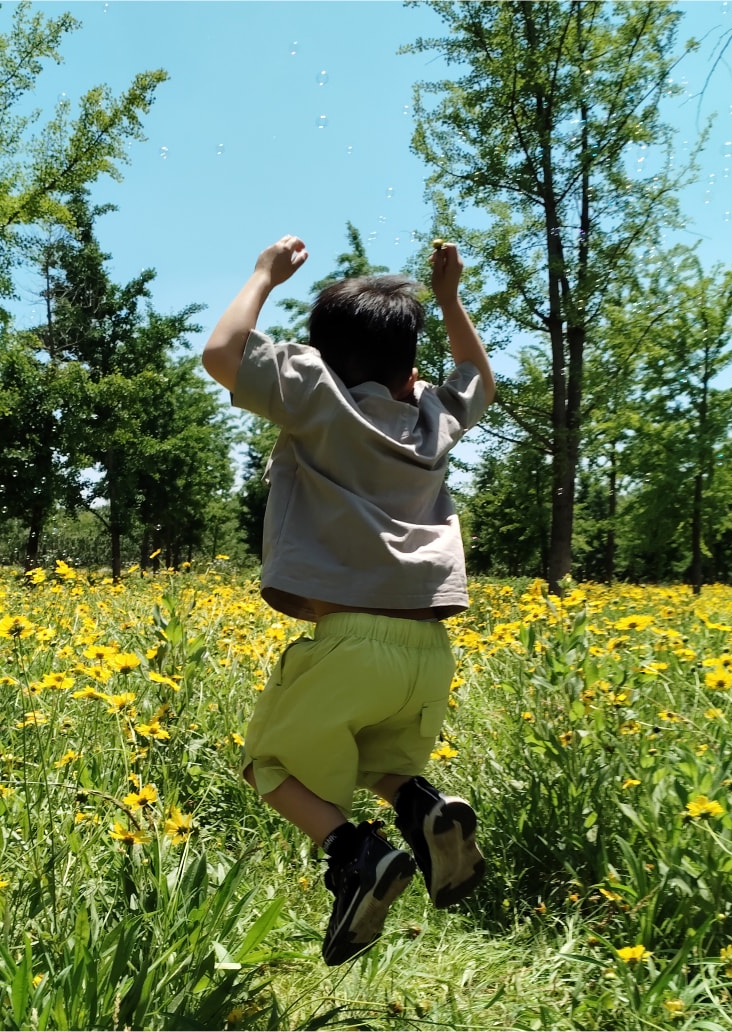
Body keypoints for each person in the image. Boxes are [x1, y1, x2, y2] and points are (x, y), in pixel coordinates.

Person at [202, 234, 495, 966]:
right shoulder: (431, 415)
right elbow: (477, 377)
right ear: (411, 371)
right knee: (379, 763)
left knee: (270, 768)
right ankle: (423, 809)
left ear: (324, 356)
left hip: (349, 641)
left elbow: (221, 354)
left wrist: (262, 274)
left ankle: (356, 853)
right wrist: (452, 298)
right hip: (428, 650)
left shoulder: (313, 389)